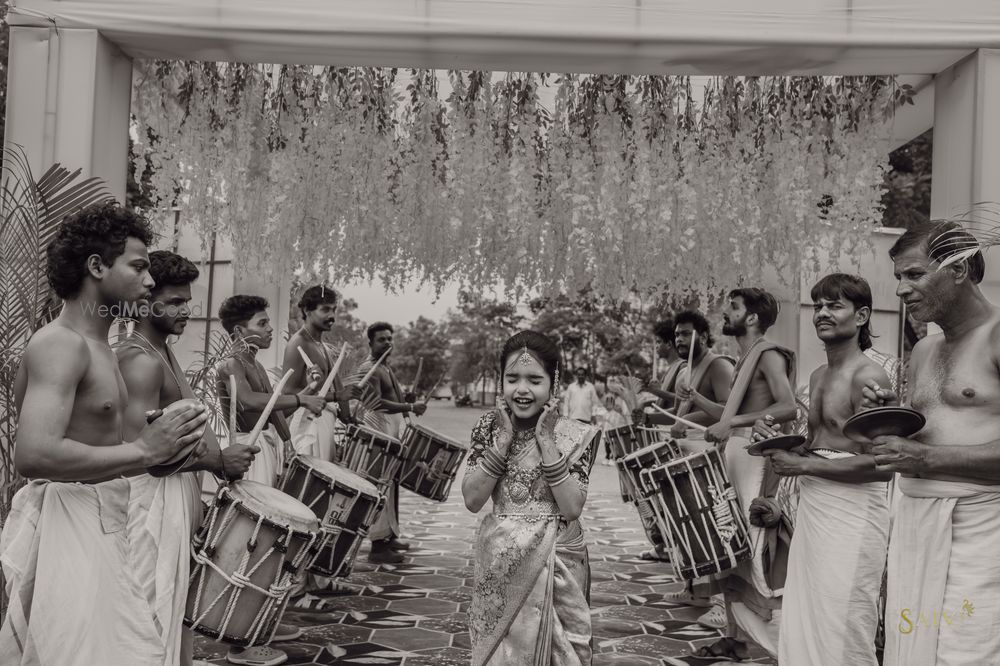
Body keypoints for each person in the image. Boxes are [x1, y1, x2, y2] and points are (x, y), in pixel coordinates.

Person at [0, 203, 209, 665]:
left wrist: (167, 447)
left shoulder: (102, 348)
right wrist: (142, 451)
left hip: (104, 521)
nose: (150, 281)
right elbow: (34, 454)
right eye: (138, 267)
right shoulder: (61, 344)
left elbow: (103, 443)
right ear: (97, 266)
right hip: (69, 527)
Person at [862, 221, 1000, 665]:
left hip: (980, 530)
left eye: (915, 274)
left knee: (965, 653)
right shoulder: (923, 350)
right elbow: (930, 430)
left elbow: (929, 452)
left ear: (958, 269)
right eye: (898, 277)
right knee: (914, 650)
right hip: (916, 526)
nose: (901, 289)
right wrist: (889, 420)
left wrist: (925, 456)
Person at [117, 250, 259, 666]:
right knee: (148, 613)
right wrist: (217, 463)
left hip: (173, 499)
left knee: (171, 611)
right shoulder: (140, 360)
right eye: (176, 302)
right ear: (145, 301)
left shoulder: (161, 350)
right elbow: (135, 453)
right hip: (147, 508)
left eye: (188, 300)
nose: (187, 310)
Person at [752, 274, 892, 666]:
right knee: (807, 615)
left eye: (835, 305)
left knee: (844, 620)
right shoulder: (817, 376)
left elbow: (883, 465)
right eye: (819, 306)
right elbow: (819, 447)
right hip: (816, 510)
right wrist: (774, 436)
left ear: (862, 315)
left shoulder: (868, 376)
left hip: (854, 514)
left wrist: (803, 464)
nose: (823, 314)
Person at [463, 331, 599, 665]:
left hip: (558, 558)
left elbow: (571, 507)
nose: (522, 390)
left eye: (534, 380)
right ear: (501, 382)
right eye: (512, 379)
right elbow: (472, 499)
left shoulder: (575, 434)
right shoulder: (488, 428)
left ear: (553, 384)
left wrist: (547, 441)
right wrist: (504, 440)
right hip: (501, 560)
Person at [686, 287, 798, 662]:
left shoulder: (767, 355)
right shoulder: (744, 357)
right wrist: (704, 406)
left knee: (751, 552)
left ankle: (787, 649)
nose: (725, 312)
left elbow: (788, 407)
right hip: (735, 454)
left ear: (751, 318)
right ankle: (734, 640)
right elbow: (728, 411)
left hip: (754, 458)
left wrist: (731, 421)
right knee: (730, 548)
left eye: (733, 307)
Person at [215, 295, 324, 666]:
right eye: (262, 324)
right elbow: (246, 402)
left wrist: (300, 406)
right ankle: (240, 643)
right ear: (238, 330)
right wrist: (298, 400)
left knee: (268, 546)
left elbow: (273, 405)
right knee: (252, 546)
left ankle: (258, 625)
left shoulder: (253, 362)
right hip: (247, 451)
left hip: (266, 449)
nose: (270, 329)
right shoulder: (232, 363)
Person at [356, 322, 426, 564]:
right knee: (380, 486)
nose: (387, 343)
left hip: (390, 432)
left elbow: (391, 398)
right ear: (370, 343)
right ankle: (377, 546)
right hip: (378, 432)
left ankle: (389, 536)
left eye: (389, 339)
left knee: (391, 485)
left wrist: (406, 399)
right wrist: (409, 406)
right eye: (381, 340)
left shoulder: (385, 367)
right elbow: (375, 404)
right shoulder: (371, 368)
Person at [281, 285, 361, 460]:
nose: (332, 316)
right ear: (307, 310)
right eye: (325, 310)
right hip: (307, 426)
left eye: (334, 310)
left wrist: (347, 416)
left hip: (323, 423)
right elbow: (287, 393)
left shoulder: (320, 345)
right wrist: (337, 396)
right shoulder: (298, 344)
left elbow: (336, 383)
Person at [642, 310, 733, 430]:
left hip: (709, 445)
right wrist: (648, 418)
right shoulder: (682, 373)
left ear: (703, 338)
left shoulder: (719, 365)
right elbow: (677, 413)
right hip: (683, 445)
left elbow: (731, 411)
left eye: (685, 334)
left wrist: (688, 420)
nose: (679, 339)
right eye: (677, 335)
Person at [641, 317, 686, 412]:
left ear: (669, 344)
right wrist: (645, 404)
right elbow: (666, 401)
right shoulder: (670, 368)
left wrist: (657, 391)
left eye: (658, 342)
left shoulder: (682, 366)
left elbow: (684, 399)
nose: (656, 347)